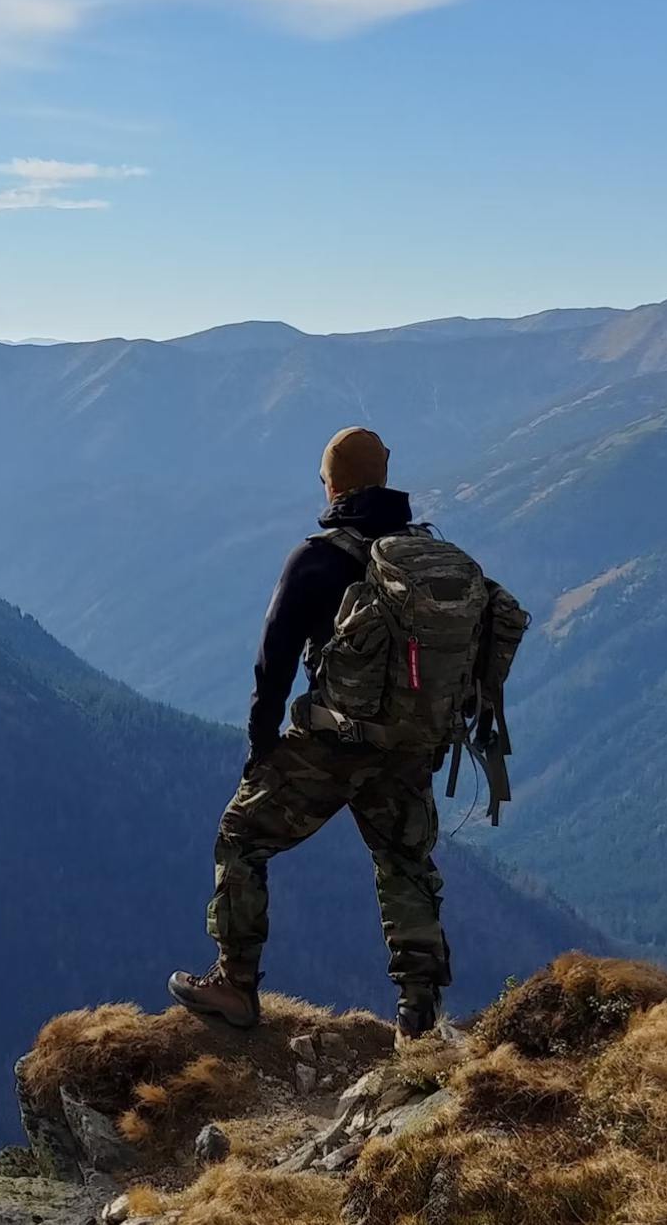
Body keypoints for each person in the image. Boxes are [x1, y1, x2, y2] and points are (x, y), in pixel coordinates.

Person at [168, 426, 528, 1038]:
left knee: (241, 837)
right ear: (383, 479)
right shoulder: (428, 557)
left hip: (332, 744)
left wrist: (261, 746)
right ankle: (419, 1011)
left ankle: (235, 983)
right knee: (405, 862)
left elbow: (273, 658)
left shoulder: (317, 557)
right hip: (411, 746)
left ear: (333, 482)